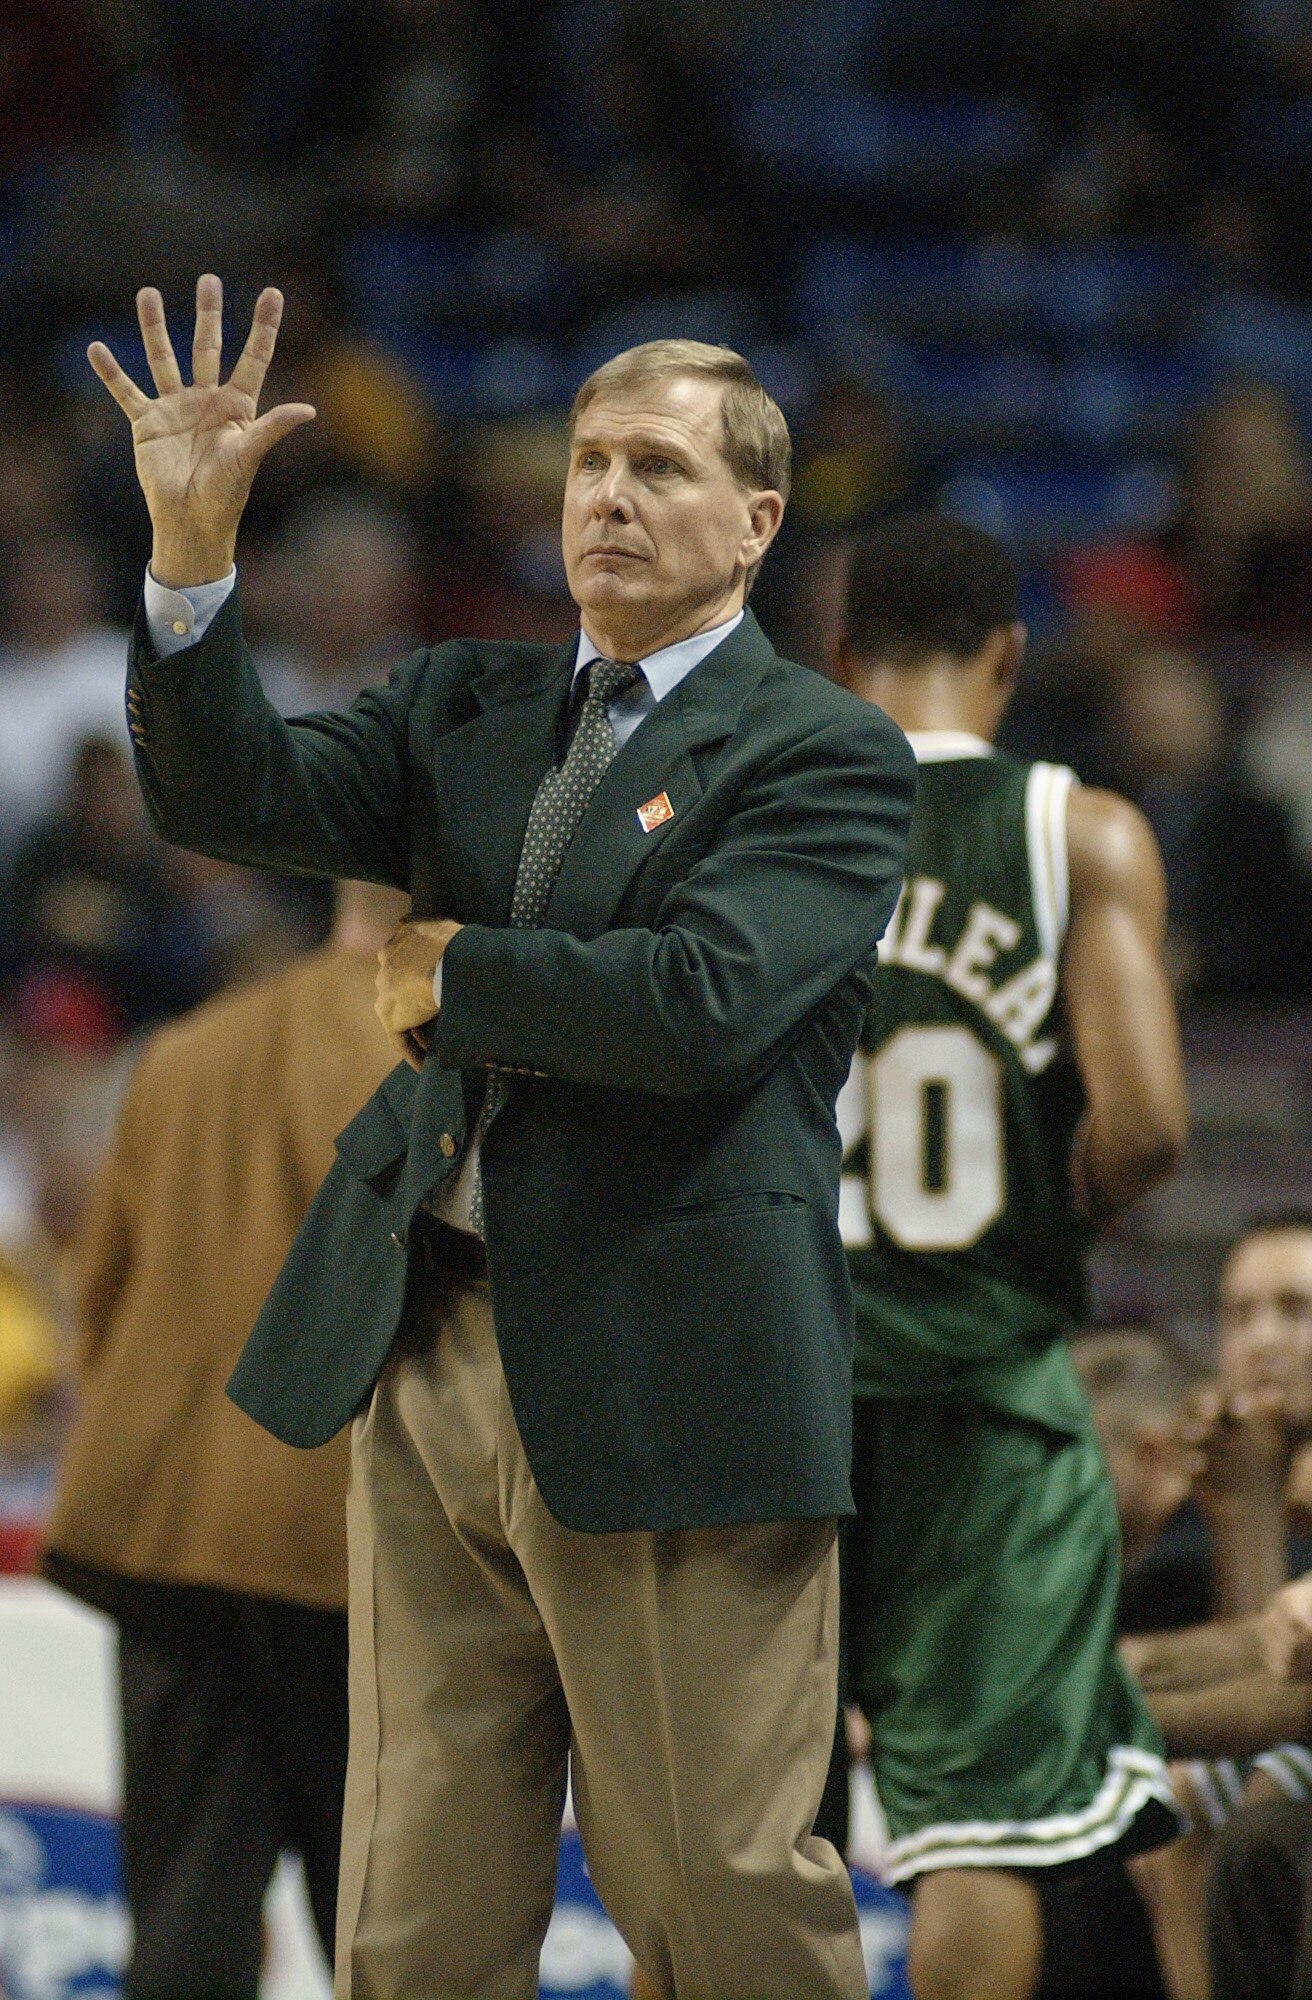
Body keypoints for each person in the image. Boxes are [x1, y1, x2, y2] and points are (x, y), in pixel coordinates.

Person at [88, 276, 916, 2000]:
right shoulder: (459, 699)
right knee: (413, 1904)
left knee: (715, 1889)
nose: (606, 496)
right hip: (430, 1339)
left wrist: (455, 970)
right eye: (588, 462)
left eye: (658, 470)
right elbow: (227, 795)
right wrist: (188, 571)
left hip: (671, 1374)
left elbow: (700, 1005)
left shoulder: (824, 752)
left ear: (759, 521)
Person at [834, 512, 1189, 2000]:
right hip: (982, 1387)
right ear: (1010, 654)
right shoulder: (1076, 832)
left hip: (780, 1388)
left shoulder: (757, 819)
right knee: (968, 1826)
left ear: (841, 660)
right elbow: (1155, 1125)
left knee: (729, 1831)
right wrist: (1072, 1202)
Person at [40, 880, 404, 2000]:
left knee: (186, 1923)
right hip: (356, 1554)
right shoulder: (444, 1051)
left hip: (165, 1533)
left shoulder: (186, 1047)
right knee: (390, 1940)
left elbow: (94, 1304)